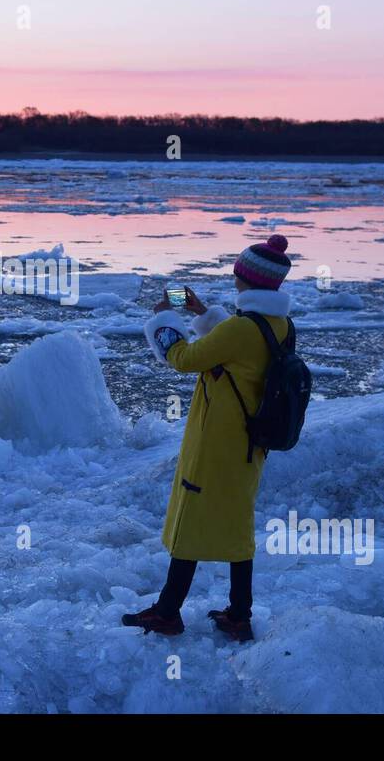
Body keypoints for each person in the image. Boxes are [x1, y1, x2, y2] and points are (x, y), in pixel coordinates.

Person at [123, 234, 294, 642]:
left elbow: (185, 359)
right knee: (236, 523)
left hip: (218, 440)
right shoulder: (279, 325)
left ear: (244, 278)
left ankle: (167, 612)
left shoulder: (240, 328)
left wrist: (167, 321)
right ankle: (239, 613)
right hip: (252, 442)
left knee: (193, 518)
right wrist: (201, 311)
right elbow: (239, 349)